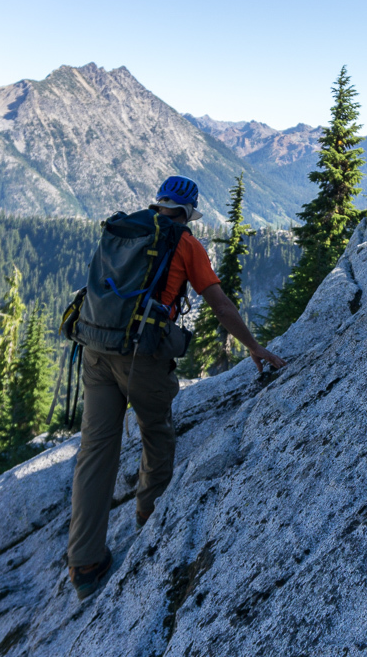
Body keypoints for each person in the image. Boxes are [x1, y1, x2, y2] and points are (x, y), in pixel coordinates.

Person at [67, 175, 286, 600]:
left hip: (95, 348)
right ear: (188, 212)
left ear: (160, 203)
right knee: (157, 433)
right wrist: (254, 346)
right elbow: (219, 304)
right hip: (141, 357)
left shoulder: (125, 227)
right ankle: (150, 520)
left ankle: (85, 563)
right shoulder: (185, 244)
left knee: (95, 451)